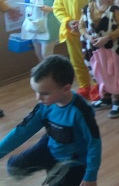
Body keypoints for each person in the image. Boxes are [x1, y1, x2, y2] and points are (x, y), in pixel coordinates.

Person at [0, 55, 101, 186]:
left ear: (66, 88)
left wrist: (90, 176)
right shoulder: (44, 106)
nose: (38, 98)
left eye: (44, 93)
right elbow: (23, 130)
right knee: (14, 167)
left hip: (73, 163)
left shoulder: (81, 112)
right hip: (49, 147)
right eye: (36, 92)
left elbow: (94, 144)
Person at [53, 0, 94, 100]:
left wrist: (83, 22)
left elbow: (97, 7)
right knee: (77, 61)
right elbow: (58, 8)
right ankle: (84, 86)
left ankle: (97, 86)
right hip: (72, 32)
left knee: (94, 59)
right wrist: (68, 21)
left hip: (90, 32)